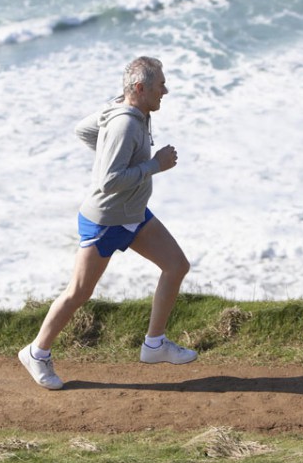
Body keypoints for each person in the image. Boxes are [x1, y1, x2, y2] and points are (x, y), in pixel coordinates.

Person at [18, 56, 197, 390]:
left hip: (133, 214)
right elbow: (109, 181)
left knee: (176, 265)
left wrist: (109, 153)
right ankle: (36, 352)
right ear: (141, 88)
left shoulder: (131, 112)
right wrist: (154, 165)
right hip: (106, 220)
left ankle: (154, 345)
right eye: (161, 85)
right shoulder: (125, 124)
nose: (166, 91)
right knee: (79, 292)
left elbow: (83, 130)